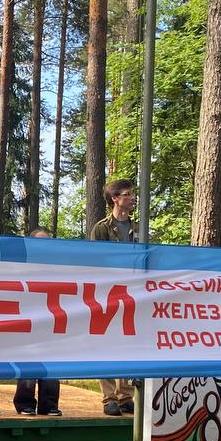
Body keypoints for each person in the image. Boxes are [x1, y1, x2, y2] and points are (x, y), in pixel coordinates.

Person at [88, 178, 137, 416]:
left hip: (134, 293)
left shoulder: (139, 228)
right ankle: (109, 397)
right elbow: (96, 261)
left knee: (127, 343)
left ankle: (125, 395)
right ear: (115, 199)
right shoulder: (101, 228)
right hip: (106, 294)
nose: (132, 198)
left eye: (132, 194)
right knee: (105, 344)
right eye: (127, 194)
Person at [13, 229, 62, 417]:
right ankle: (25, 403)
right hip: (29, 320)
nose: (44, 246)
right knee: (28, 361)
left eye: (47, 242)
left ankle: (49, 404)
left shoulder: (56, 269)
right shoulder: (23, 267)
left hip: (51, 320)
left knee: (51, 361)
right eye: (40, 241)